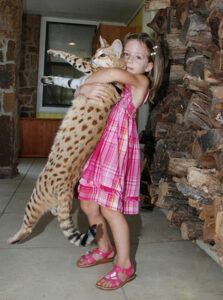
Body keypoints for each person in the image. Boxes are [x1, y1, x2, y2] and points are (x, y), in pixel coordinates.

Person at [75, 32, 164, 290]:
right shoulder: (119, 84)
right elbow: (90, 91)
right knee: (88, 205)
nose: (129, 60)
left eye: (137, 57)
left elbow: (107, 76)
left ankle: (124, 264)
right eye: (125, 54)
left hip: (116, 151)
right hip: (97, 148)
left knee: (109, 209)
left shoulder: (139, 82)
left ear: (149, 66)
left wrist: (86, 83)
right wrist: (86, 88)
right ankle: (104, 248)